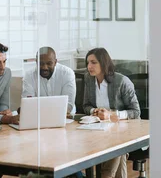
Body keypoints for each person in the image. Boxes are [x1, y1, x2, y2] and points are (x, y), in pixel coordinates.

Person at [83, 48, 140, 178]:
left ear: (103, 63)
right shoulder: (88, 79)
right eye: (88, 63)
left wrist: (112, 115)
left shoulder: (121, 81)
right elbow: (86, 105)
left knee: (112, 160)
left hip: (123, 130)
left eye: (93, 62)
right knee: (118, 158)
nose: (89, 66)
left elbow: (136, 112)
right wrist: (95, 111)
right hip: (98, 130)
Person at [22, 46, 77, 115]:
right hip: (38, 118)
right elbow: (28, 105)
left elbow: (68, 106)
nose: (45, 67)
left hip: (65, 117)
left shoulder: (67, 73)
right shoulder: (29, 75)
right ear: (36, 62)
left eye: (49, 63)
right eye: (41, 63)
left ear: (55, 62)